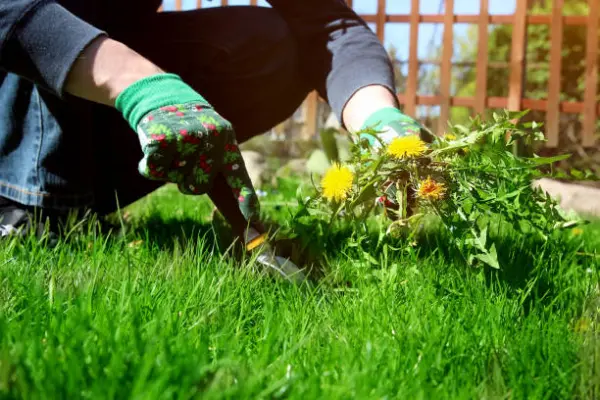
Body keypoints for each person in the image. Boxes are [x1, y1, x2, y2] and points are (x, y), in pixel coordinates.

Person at [0, 1, 426, 254]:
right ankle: (28, 203)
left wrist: (380, 123)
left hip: (91, 96)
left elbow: (327, 25)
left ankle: (75, 199)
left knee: (269, 44)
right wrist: (144, 89)